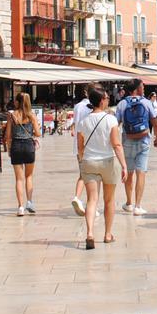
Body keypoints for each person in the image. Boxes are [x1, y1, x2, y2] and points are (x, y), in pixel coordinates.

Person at [76, 86, 126, 249]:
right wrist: (124, 165)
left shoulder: (83, 122)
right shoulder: (110, 119)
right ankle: (107, 234)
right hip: (108, 162)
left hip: (89, 162)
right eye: (106, 98)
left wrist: (83, 160)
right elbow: (116, 144)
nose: (108, 100)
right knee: (109, 200)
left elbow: (80, 147)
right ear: (101, 100)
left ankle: (90, 233)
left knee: (91, 200)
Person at [115, 78, 157, 216]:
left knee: (129, 172)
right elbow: (155, 123)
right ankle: (138, 206)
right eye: (142, 86)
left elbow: (116, 124)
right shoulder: (146, 103)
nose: (144, 88)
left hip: (127, 141)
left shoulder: (122, 104)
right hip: (144, 140)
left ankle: (129, 203)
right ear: (136, 89)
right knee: (141, 172)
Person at [3, 92, 41, 216]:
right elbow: (38, 133)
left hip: (16, 146)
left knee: (19, 179)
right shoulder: (31, 115)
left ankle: (20, 207)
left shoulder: (12, 116)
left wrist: (8, 147)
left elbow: (8, 135)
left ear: (18, 102)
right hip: (29, 146)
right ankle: (29, 202)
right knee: (28, 176)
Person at [70, 85, 100, 217]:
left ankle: (77, 197)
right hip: (92, 145)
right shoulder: (95, 105)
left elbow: (76, 124)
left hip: (78, 145)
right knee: (94, 177)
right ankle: (92, 205)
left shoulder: (77, 106)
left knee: (83, 174)